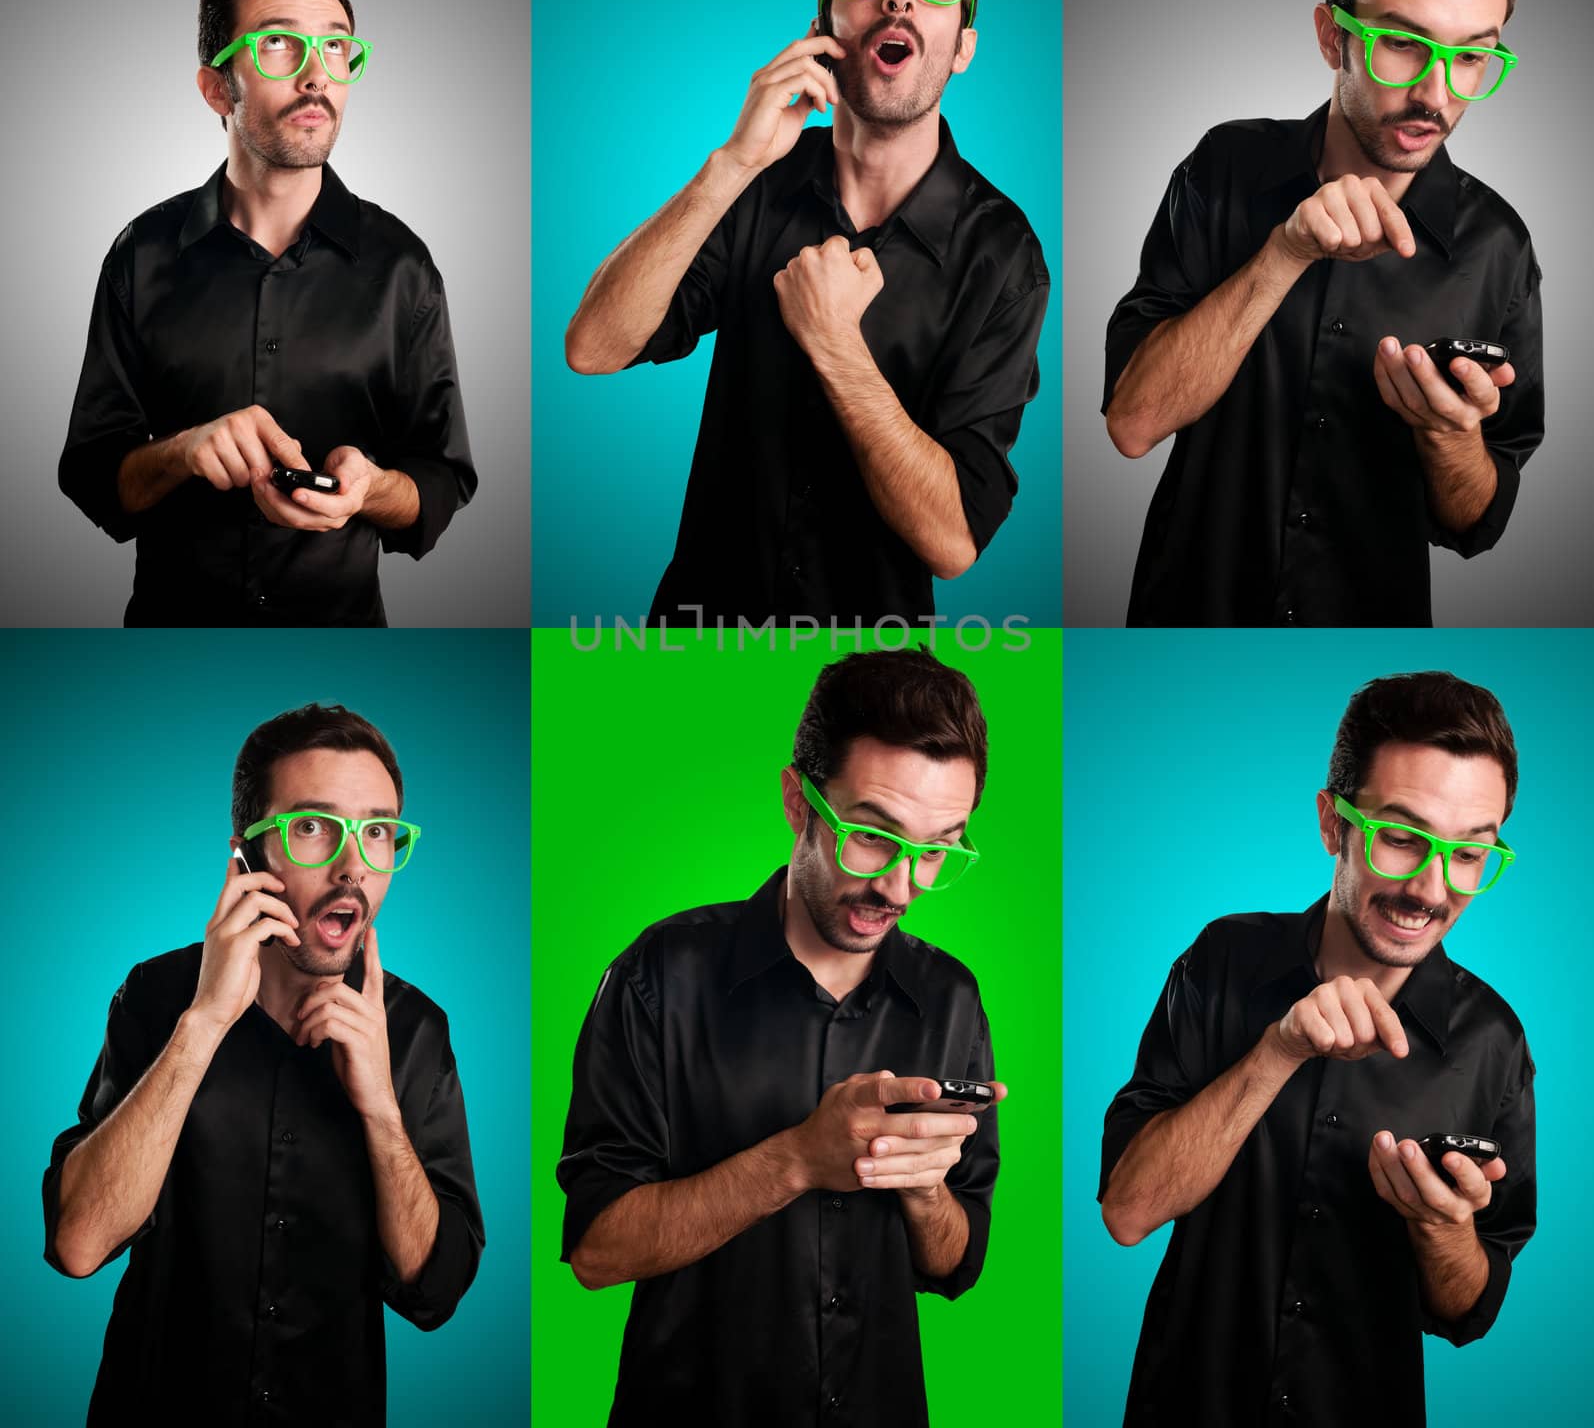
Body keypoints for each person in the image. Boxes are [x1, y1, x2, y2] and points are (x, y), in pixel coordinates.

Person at [564, 0, 1048, 627]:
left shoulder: (1003, 252)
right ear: (824, 28)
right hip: (692, 644)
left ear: (964, 46)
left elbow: (953, 540)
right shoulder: (755, 186)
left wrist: (833, 343)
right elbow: (593, 347)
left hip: (868, 661)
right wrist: (731, 164)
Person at [557, 648, 1008, 1424]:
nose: (901, 886)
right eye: (872, 836)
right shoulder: (658, 974)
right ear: (798, 803)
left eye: (936, 849)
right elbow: (598, 1251)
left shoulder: (952, 998)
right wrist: (797, 1159)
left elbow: (955, 1265)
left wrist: (924, 1185)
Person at [1103, 0, 1543, 626]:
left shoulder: (1499, 245)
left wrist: (1450, 436)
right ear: (1331, 35)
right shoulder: (1225, 166)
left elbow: (1478, 521)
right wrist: (1283, 253)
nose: (1437, 93)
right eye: (1403, 43)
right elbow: (1134, 423)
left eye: (1472, 56)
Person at [1099, 671, 1535, 1425]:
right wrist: (1277, 1051)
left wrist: (1444, 1229)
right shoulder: (1223, 959)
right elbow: (1129, 1212)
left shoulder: (1494, 1040)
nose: (1433, 888)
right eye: (1401, 837)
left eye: (1470, 854)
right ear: (1333, 824)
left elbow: (1470, 1311)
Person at [43, 704, 484, 1424]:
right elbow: (79, 1244)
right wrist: (204, 1025)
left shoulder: (417, 1032)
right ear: (246, 859)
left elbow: (431, 1294)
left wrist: (379, 1109)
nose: (352, 866)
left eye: (377, 831)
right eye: (313, 827)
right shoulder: (157, 997)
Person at [59, 0, 476, 627]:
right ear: (217, 89)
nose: (318, 75)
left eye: (337, 48)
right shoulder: (141, 254)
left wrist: (370, 491)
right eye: (280, 43)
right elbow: (94, 477)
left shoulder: (403, 265)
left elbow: (441, 477)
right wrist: (183, 452)